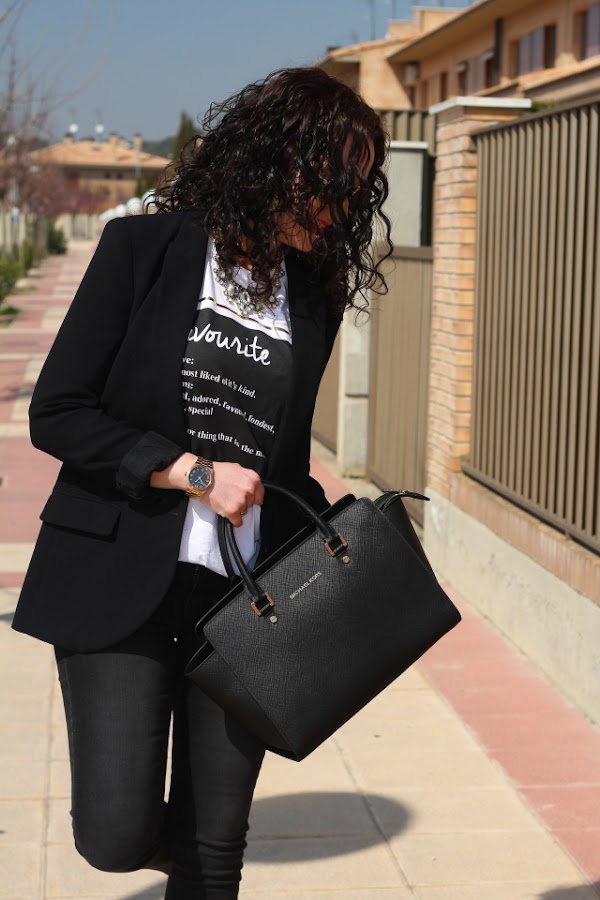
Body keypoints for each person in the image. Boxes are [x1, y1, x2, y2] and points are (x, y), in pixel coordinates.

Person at [12, 66, 392, 898]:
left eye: (355, 189)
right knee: (115, 835)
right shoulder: (143, 250)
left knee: (214, 850)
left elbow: (281, 459)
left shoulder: (312, 296)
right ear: (276, 159)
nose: (339, 208)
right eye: (332, 180)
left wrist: (350, 554)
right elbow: (59, 412)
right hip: (120, 576)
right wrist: (192, 472)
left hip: (244, 602)